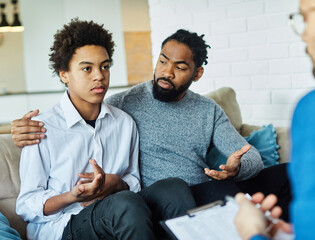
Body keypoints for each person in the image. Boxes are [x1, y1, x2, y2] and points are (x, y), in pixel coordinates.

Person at [12, 29, 291, 220]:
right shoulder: (124, 103)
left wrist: (237, 168)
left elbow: (249, 155)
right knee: (219, 194)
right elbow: (81, 112)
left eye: (180, 67)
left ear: (197, 73)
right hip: (159, 197)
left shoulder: (207, 110)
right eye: (162, 61)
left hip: (204, 188)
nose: (166, 72)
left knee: (289, 174)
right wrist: (17, 129)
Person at [16, 19, 195, 240]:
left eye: (105, 66)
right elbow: (26, 205)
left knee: (174, 188)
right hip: (63, 225)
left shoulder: (124, 123)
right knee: (124, 203)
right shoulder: (41, 128)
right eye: (86, 68)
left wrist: (116, 183)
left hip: (118, 213)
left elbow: (133, 182)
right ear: (64, 74)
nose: (99, 75)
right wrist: (72, 196)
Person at [234, 0, 315, 239]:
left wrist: (253, 232)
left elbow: (244, 152)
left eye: (307, 16)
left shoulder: (309, 111)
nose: (303, 36)